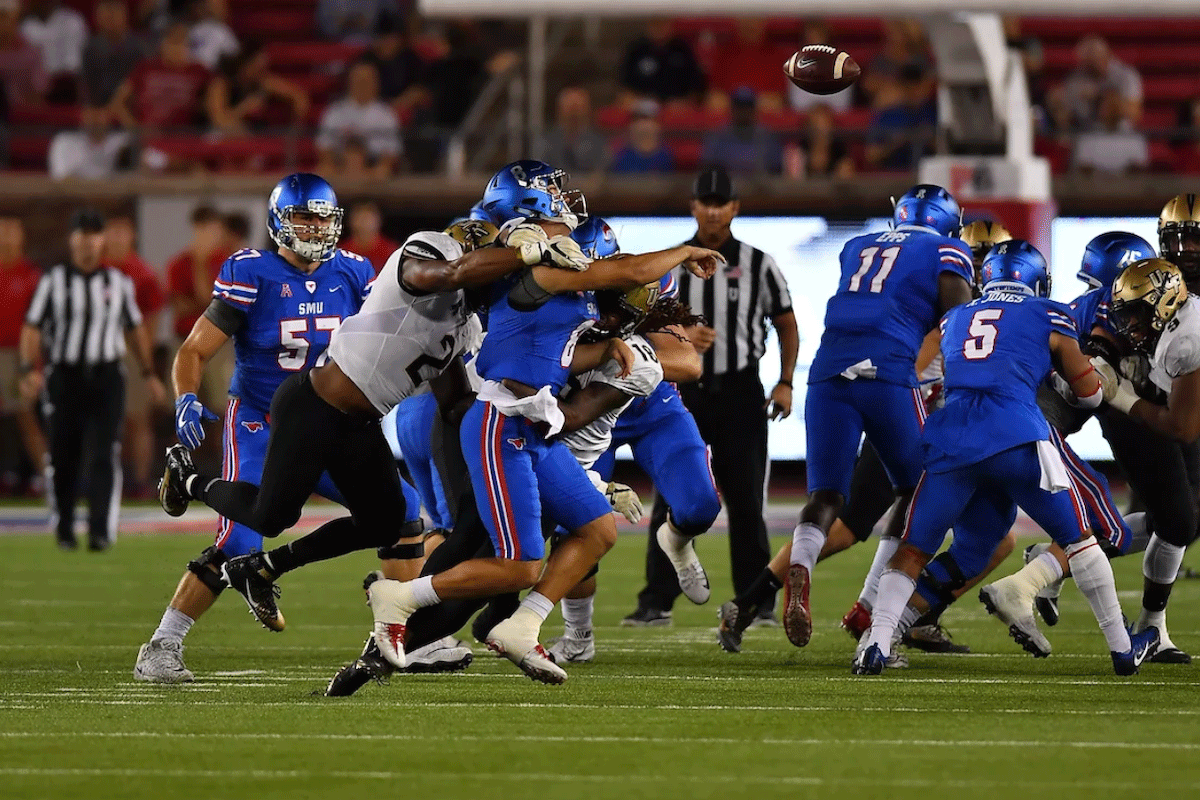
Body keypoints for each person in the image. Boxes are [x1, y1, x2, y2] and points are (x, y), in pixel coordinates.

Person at [366, 161, 723, 684]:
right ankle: (397, 596)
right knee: (516, 563)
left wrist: (614, 343)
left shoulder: (556, 278)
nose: (564, 201)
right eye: (551, 193)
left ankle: (522, 627)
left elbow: (563, 351)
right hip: (498, 421)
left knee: (598, 531)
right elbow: (621, 274)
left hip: (532, 424)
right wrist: (683, 251)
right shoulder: (539, 271)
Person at [854, 241, 1159, 676]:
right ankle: (1121, 646)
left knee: (926, 547)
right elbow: (1089, 394)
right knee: (1080, 537)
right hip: (1015, 435)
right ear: (1037, 280)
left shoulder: (955, 316)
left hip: (953, 440)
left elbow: (918, 374)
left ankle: (877, 643)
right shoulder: (1049, 313)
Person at [133, 173, 375, 683]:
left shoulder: (354, 272)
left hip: (332, 421)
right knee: (241, 537)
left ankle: (406, 638)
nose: (314, 227)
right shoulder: (252, 272)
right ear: (278, 221)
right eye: (302, 217)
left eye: (322, 216)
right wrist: (187, 401)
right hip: (262, 422)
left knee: (403, 515)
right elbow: (194, 349)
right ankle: (162, 645)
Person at [984, 257, 1200, 664]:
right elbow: (1179, 426)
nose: (1129, 325)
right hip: (1091, 390)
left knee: (1182, 518)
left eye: (1136, 315)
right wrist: (1122, 395)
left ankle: (1049, 564)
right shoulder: (1125, 319)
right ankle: (1140, 627)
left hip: (1129, 394)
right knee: (1173, 521)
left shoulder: (1186, 332)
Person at [784, 184, 973, 649]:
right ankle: (873, 604)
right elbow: (959, 320)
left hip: (828, 372)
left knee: (826, 495)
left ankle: (802, 564)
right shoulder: (948, 249)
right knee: (916, 490)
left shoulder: (857, 245)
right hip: (887, 372)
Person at [624, 166, 798, 627]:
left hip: (741, 390)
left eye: (723, 203)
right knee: (672, 495)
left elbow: (786, 321)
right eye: (707, 202)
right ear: (694, 207)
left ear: (735, 208)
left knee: (745, 500)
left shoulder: (760, 263)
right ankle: (655, 601)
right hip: (684, 393)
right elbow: (638, 321)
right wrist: (679, 336)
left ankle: (755, 602)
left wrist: (785, 381)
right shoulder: (670, 264)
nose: (715, 211)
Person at [18, 209, 165, 551]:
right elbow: (32, 326)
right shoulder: (53, 281)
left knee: (104, 453)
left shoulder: (118, 282)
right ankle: (65, 527)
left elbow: (134, 328)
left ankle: (100, 530)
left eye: (94, 235)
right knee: (63, 454)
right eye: (82, 235)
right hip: (65, 376)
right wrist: (28, 369)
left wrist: (148, 372)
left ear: (101, 240)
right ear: (73, 240)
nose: (88, 242)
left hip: (106, 376)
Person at [105, 212, 167, 498]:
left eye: (122, 231)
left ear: (132, 235)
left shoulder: (142, 273)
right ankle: (105, 477)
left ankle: (140, 480)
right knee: (102, 419)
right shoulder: (95, 268)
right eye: (112, 231)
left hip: (131, 350)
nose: (116, 237)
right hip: (98, 350)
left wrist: (146, 359)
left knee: (137, 418)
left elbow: (151, 320)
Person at [166, 205, 230, 413]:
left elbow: (217, 303)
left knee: (223, 407)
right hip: (185, 339)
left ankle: (225, 446)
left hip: (220, 343)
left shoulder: (228, 263)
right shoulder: (178, 264)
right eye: (205, 229)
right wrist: (198, 262)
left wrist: (202, 265)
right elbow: (179, 306)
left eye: (214, 229)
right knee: (183, 409)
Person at [0, 216, 43, 496]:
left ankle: (47, 477)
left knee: (26, 418)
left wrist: (34, 365)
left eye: (11, 231)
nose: (6, 236)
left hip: (20, 353)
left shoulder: (31, 275)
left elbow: (40, 324)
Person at [108, 21, 209, 132]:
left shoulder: (199, 71)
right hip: (147, 137)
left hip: (184, 138)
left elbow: (214, 102)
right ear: (162, 44)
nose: (176, 48)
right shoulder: (145, 67)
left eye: (181, 42)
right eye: (172, 42)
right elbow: (117, 102)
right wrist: (135, 129)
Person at [316, 60, 401, 178]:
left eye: (366, 81)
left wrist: (374, 169)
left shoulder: (386, 114)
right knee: (323, 171)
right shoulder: (335, 111)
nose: (362, 85)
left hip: (373, 165)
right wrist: (335, 167)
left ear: (376, 83)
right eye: (358, 80)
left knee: (383, 172)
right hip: (340, 164)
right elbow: (324, 146)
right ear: (350, 82)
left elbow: (391, 152)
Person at [205, 43, 309, 135]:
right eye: (257, 67)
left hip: (253, 137)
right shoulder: (222, 83)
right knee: (234, 130)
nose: (261, 71)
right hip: (219, 136)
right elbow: (219, 121)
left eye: (263, 68)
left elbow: (299, 96)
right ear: (245, 65)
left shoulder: (263, 81)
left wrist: (296, 127)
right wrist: (244, 108)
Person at [619, 19, 705, 107]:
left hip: (677, 108)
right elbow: (626, 91)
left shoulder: (683, 49)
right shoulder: (636, 49)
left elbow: (696, 90)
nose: (659, 28)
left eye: (662, 23)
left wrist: (683, 103)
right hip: (644, 108)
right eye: (655, 24)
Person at [701, 86, 783, 175]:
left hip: (759, 187)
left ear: (753, 109)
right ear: (732, 108)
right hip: (727, 186)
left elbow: (776, 172)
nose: (743, 111)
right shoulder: (717, 137)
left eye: (747, 107)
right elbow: (709, 170)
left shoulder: (767, 137)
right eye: (740, 106)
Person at [80, 0, 146, 108]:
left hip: (130, 110)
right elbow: (87, 88)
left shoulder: (139, 48)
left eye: (114, 13)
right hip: (99, 110)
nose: (110, 18)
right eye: (105, 14)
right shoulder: (91, 48)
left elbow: (140, 88)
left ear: (125, 15)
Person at [48, 104, 132, 180]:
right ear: (82, 116)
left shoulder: (121, 141)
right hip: (74, 195)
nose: (95, 120)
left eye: (99, 115)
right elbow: (63, 181)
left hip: (111, 195)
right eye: (91, 114)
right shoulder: (64, 141)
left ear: (109, 116)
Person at [539, 85, 608, 174]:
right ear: (559, 109)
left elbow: (603, 172)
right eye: (570, 108)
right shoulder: (545, 141)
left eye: (578, 108)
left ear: (588, 110)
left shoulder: (599, 142)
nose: (574, 113)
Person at [610, 102, 674, 174]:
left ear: (658, 125)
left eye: (648, 119)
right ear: (631, 125)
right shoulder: (620, 154)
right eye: (638, 119)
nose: (643, 124)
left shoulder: (666, 155)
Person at [340, 199, 397, 274]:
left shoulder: (392, 252)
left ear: (379, 220)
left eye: (368, 216)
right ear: (350, 220)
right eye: (360, 216)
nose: (364, 221)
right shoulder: (340, 253)